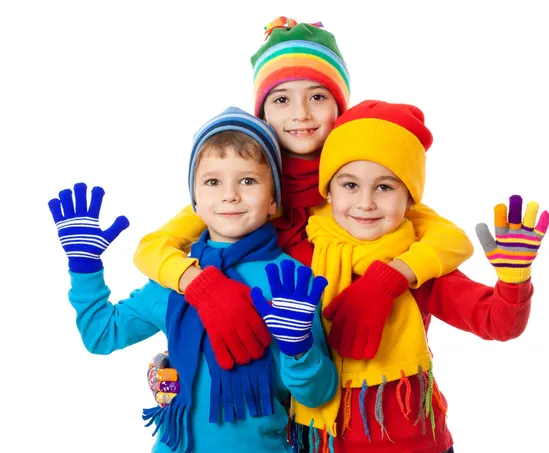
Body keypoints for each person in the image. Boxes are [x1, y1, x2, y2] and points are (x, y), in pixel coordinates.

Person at [138, 18, 475, 415]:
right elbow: (152, 248)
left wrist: (388, 279)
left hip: (369, 390)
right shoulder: (246, 188)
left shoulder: (358, 180)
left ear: (339, 105)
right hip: (275, 399)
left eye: (318, 96)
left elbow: (450, 239)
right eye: (281, 99)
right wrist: (204, 288)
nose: (301, 114)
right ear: (262, 111)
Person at [48, 107, 338, 453]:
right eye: (213, 182)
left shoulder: (291, 280)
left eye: (248, 180)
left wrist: (299, 348)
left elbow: (319, 394)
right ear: (195, 202)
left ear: (273, 199)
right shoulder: (175, 278)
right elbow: (101, 334)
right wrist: (85, 269)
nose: (229, 195)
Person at [289, 100, 549, 453]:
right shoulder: (300, 255)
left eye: (385, 187)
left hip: (411, 441)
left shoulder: (419, 266)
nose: (365, 202)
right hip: (320, 440)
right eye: (350, 185)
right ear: (328, 191)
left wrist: (514, 281)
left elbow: (498, 323)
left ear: (409, 199)